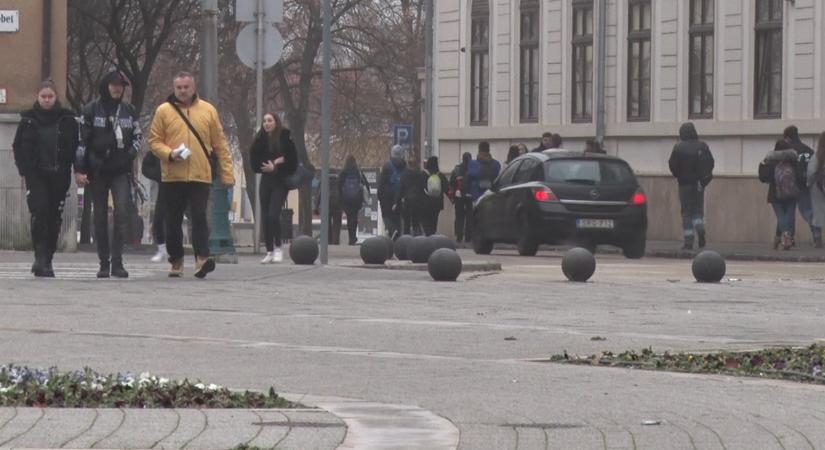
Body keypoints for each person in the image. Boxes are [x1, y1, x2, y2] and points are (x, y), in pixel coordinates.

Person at [148, 71, 235, 278]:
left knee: (199, 217)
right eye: (179, 87)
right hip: (173, 175)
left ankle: (201, 259)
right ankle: (176, 260)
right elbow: (154, 142)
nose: (183, 91)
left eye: (186, 87)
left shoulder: (208, 111)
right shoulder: (164, 111)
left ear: (193, 87)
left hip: (200, 174)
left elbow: (220, 144)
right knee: (173, 220)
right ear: (174, 88)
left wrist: (227, 174)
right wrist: (170, 154)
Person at [74, 70, 142, 278]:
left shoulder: (129, 111)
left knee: (122, 213)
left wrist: (129, 156)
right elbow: (81, 142)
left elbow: (138, 138)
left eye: (120, 86)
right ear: (106, 86)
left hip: (121, 171)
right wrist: (80, 169)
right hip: (97, 171)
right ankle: (104, 263)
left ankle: (118, 263)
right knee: (100, 217)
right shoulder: (91, 110)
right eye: (113, 85)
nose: (117, 89)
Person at [12, 80, 79, 278]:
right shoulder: (28, 120)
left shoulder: (67, 119)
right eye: (43, 96)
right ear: (38, 97)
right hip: (36, 175)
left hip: (59, 175)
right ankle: (40, 256)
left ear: (56, 97)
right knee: (39, 213)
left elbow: (75, 146)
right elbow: (18, 146)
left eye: (50, 96)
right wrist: (24, 169)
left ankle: (48, 257)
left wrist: (76, 168)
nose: (47, 100)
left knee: (54, 217)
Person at [250, 112, 298, 263]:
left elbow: (292, 163)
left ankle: (278, 248)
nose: (266, 123)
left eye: (269, 120)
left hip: (280, 182)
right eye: (264, 121)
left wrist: (276, 165)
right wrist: (270, 164)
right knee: (265, 217)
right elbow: (255, 162)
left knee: (273, 215)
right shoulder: (259, 139)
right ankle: (269, 250)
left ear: (276, 122)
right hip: (266, 181)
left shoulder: (285, 138)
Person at [668, 122, 714, 250]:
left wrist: (679, 175)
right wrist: (703, 179)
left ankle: (688, 241)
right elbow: (710, 163)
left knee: (686, 212)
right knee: (697, 210)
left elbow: (672, 165)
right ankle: (700, 228)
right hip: (699, 184)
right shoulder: (703, 146)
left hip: (684, 184)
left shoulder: (678, 147)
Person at [759, 140, 799, 250]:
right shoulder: (793, 159)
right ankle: (781, 237)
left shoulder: (770, 160)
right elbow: (799, 174)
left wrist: (762, 164)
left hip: (775, 193)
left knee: (781, 216)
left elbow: (763, 177)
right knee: (789, 216)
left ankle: (785, 236)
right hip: (791, 192)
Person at [783, 125, 819, 247]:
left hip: (794, 185)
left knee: (791, 212)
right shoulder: (808, 149)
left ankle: (790, 237)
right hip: (809, 184)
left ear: (787, 138)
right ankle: (815, 233)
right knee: (809, 209)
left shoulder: (789, 151)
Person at [338, 155, 370, 245]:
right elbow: (365, 184)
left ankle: (350, 236)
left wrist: (341, 197)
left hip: (346, 198)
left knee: (349, 217)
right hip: (356, 198)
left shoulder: (343, 172)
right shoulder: (358, 171)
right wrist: (367, 194)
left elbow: (339, 185)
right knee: (354, 217)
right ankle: (353, 237)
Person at [377, 144, 407, 239]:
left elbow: (381, 184)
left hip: (387, 197)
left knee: (386, 217)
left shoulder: (387, 166)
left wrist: (380, 196)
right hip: (399, 197)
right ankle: (397, 237)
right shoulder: (405, 166)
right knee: (397, 218)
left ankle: (393, 232)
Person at [396, 153, 426, 236]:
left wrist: (396, 202)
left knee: (406, 222)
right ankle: (417, 238)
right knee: (416, 222)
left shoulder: (404, 175)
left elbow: (400, 189)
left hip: (407, 201)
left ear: (408, 164)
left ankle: (406, 238)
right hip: (418, 201)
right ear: (417, 164)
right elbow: (424, 188)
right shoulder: (421, 174)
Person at [805, 131, 825, 248]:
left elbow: (811, 171)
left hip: (818, 187)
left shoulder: (817, 155)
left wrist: (809, 183)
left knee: (818, 212)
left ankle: (817, 239)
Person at [421, 156, 449, 236]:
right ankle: (432, 234)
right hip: (437, 202)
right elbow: (446, 188)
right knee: (434, 219)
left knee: (426, 219)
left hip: (426, 202)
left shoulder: (424, 175)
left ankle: (428, 234)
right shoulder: (440, 175)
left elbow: (420, 187)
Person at [449, 152, 473, 242]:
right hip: (470, 196)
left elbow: (451, 183)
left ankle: (459, 235)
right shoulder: (473, 169)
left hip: (459, 196)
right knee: (469, 216)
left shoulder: (457, 169)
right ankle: (468, 237)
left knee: (459, 216)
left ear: (462, 159)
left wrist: (453, 195)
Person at [315, 169, 343, 244]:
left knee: (327, 224)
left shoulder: (323, 181)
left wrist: (316, 207)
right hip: (338, 206)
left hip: (326, 206)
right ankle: (336, 241)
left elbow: (319, 195)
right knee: (337, 224)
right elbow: (343, 194)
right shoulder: (339, 181)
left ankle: (329, 241)